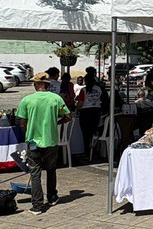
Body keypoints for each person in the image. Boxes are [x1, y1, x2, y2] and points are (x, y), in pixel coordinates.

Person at [16, 74, 72, 214]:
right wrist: (56, 123)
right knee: (51, 169)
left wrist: (28, 131)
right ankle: (52, 196)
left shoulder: (27, 100)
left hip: (33, 141)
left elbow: (22, 123)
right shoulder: (55, 98)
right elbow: (68, 116)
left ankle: (37, 205)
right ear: (47, 85)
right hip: (51, 140)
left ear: (36, 84)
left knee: (35, 173)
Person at [77, 72, 108, 163]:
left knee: (85, 134)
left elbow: (80, 103)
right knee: (94, 132)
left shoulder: (84, 90)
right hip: (96, 111)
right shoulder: (99, 89)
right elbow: (103, 100)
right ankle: (93, 152)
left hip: (85, 112)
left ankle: (87, 152)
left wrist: (77, 109)